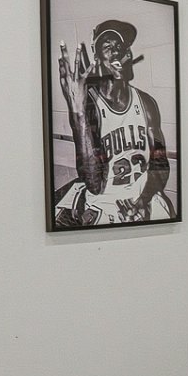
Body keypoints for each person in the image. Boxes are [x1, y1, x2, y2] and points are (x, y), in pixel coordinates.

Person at [53, 18, 170, 227]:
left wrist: (142, 202)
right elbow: (93, 184)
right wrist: (77, 111)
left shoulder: (146, 103)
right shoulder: (88, 105)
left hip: (144, 194)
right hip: (103, 200)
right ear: (97, 57)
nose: (115, 51)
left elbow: (160, 164)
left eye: (119, 46)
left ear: (127, 55)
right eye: (107, 46)